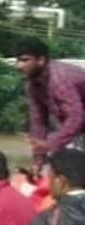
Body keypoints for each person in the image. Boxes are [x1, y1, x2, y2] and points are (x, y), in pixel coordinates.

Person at [15, 37, 85, 172]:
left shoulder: (59, 79)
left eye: (25, 60)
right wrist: (38, 159)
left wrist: (50, 144)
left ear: (41, 60)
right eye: (18, 60)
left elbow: (76, 117)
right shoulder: (32, 85)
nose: (19, 66)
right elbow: (38, 122)